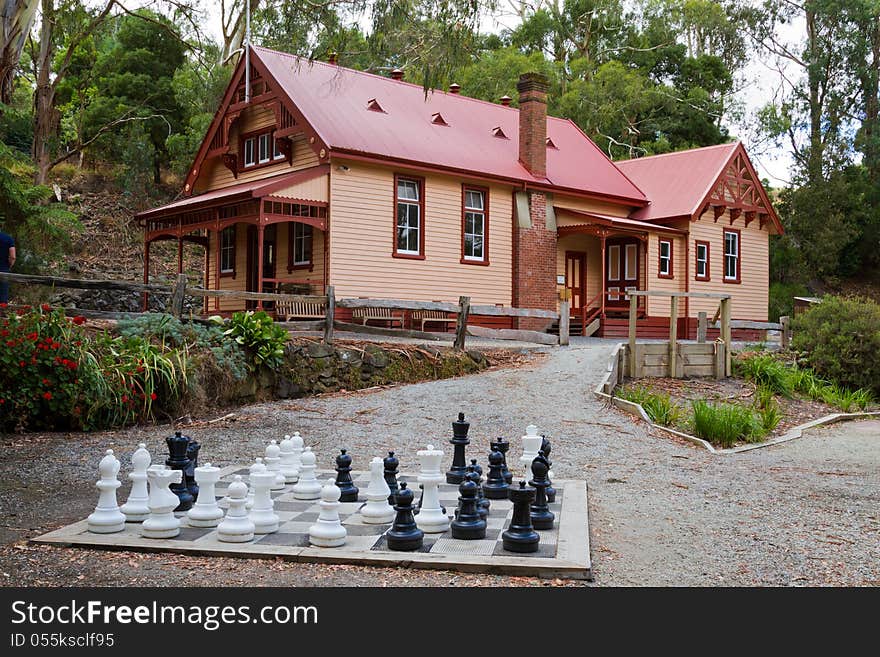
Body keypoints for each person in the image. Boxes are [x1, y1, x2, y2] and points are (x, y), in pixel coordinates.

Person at [0, 230, 15, 304]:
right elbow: (13, 256)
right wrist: (9, 266)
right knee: (2, 295)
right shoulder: (8, 238)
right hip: (3, 269)